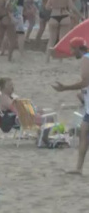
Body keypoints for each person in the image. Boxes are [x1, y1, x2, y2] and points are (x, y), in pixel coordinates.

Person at [52, 37, 89, 175]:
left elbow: (85, 81)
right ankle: (78, 168)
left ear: (79, 48)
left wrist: (65, 88)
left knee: (84, 133)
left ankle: (78, 168)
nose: (71, 52)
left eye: (73, 49)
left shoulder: (86, 58)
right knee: (83, 132)